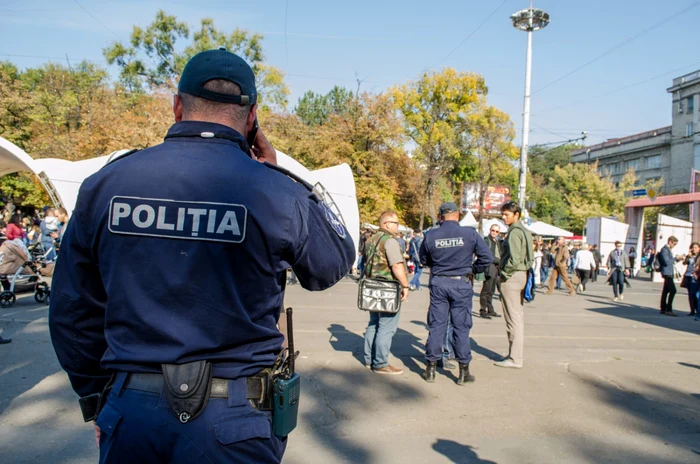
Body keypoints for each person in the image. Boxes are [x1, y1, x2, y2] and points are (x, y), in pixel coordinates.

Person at [48, 48, 355, 463]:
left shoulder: (106, 183)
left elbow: (71, 309)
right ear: (252, 119)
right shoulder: (276, 190)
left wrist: (100, 398)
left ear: (178, 106)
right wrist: (286, 175)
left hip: (132, 409)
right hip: (234, 417)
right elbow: (333, 262)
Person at [419, 202, 491, 384]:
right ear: (457, 215)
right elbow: (487, 257)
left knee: (437, 325)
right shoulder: (469, 234)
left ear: (441, 216)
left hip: (439, 282)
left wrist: (439, 265)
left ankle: (431, 370)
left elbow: (422, 259)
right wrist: (473, 269)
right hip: (461, 283)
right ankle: (463, 371)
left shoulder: (431, 235)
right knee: (461, 327)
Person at [363, 210, 410, 375]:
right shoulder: (390, 241)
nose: (398, 226)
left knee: (374, 322)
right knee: (387, 326)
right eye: (396, 223)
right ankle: (380, 362)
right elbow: (396, 265)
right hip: (387, 288)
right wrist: (405, 286)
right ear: (387, 224)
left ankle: (369, 359)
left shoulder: (370, 240)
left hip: (370, 287)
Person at [494, 202, 534, 369]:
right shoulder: (524, 231)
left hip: (513, 276)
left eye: (507, 215)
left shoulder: (515, 232)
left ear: (516, 215)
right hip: (521, 275)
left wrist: (504, 274)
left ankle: (515, 358)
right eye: (503, 214)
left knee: (513, 319)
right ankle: (514, 354)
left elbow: (515, 258)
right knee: (517, 317)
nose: (504, 217)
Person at [480, 224, 503, 319]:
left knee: (492, 290)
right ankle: (483, 310)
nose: (494, 233)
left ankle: (490, 309)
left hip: (496, 268)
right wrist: (498, 260)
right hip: (489, 267)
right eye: (493, 230)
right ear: (490, 230)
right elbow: (487, 255)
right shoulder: (487, 240)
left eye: (497, 231)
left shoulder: (497, 241)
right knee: (486, 289)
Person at [657, 236, 682, 317]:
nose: (674, 245)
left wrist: (678, 259)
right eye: (674, 244)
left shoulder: (668, 250)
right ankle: (668, 309)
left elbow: (670, 262)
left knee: (665, 291)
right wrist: (676, 258)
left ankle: (663, 308)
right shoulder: (665, 250)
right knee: (673, 290)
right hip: (667, 273)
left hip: (668, 272)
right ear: (670, 241)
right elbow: (667, 262)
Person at [683, 242, 700, 317]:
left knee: (695, 294)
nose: (694, 249)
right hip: (688, 276)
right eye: (693, 247)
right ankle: (692, 310)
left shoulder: (699, 256)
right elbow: (684, 263)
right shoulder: (690, 256)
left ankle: (697, 309)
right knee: (690, 294)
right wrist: (688, 256)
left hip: (695, 276)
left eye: (696, 247)